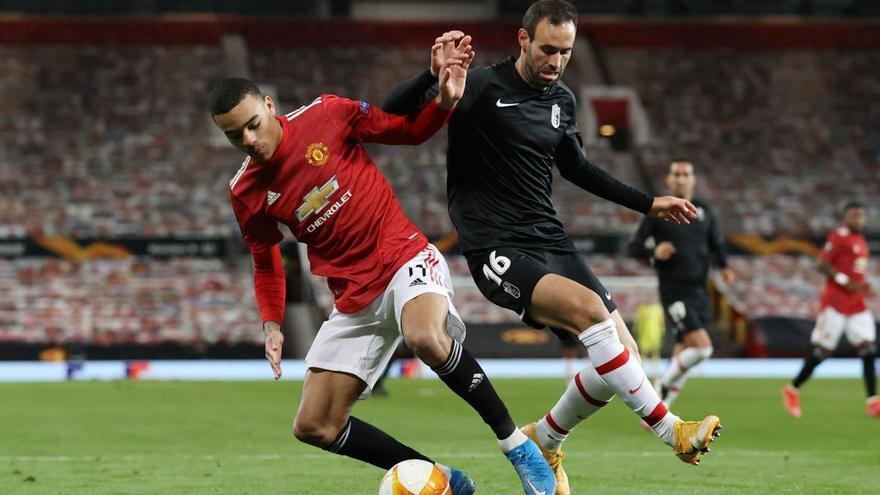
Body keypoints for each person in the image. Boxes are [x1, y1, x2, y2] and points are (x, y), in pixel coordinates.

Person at [383, 1, 721, 493]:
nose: (556, 61)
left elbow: (579, 169)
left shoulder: (562, 99)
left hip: (550, 240)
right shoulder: (479, 86)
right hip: (496, 245)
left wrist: (648, 204)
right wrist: (429, 75)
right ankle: (673, 431)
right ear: (523, 40)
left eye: (565, 52)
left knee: (622, 358)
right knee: (591, 314)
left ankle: (545, 437)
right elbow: (387, 117)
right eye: (547, 49)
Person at [209, 46, 555, 495]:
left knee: (425, 337)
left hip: (402, 257)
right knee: (314, 425)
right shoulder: (246, 191)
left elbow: (407, 131)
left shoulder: (327, 115)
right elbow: (266, 261)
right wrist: (272, 323)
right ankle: (441, 478)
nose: (250, 140)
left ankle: (516, 445)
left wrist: (444, 103)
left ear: (269, 106)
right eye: (236, 136)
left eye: (253, 124)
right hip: (353, 296)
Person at [627, 160, 735, 408]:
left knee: (682, 350)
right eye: (677, 174)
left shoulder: (704, 210)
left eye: (686, 174)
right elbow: (633, 247)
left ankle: (661, 410)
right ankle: (660, 388)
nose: (681, 178)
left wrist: (724, 266)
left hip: (700, 290)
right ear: (669, 179)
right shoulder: (659, 210)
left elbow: (716, 242)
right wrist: (654, 251)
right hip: (675, 290)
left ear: (693, 179)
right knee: (702, 348)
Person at [782, 202, 879, 418]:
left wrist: (863, 285)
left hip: (857, 303)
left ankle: (873, 401)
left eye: (861, 216)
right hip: (836, 302)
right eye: (854, 216)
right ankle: (792, 389)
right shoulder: (839, 236)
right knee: (823, 351)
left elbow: (855, 272)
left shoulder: (861, 241)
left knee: (868, 348)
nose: (859, 220)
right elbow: (822, 264)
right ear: (846, 218)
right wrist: (845, 281)